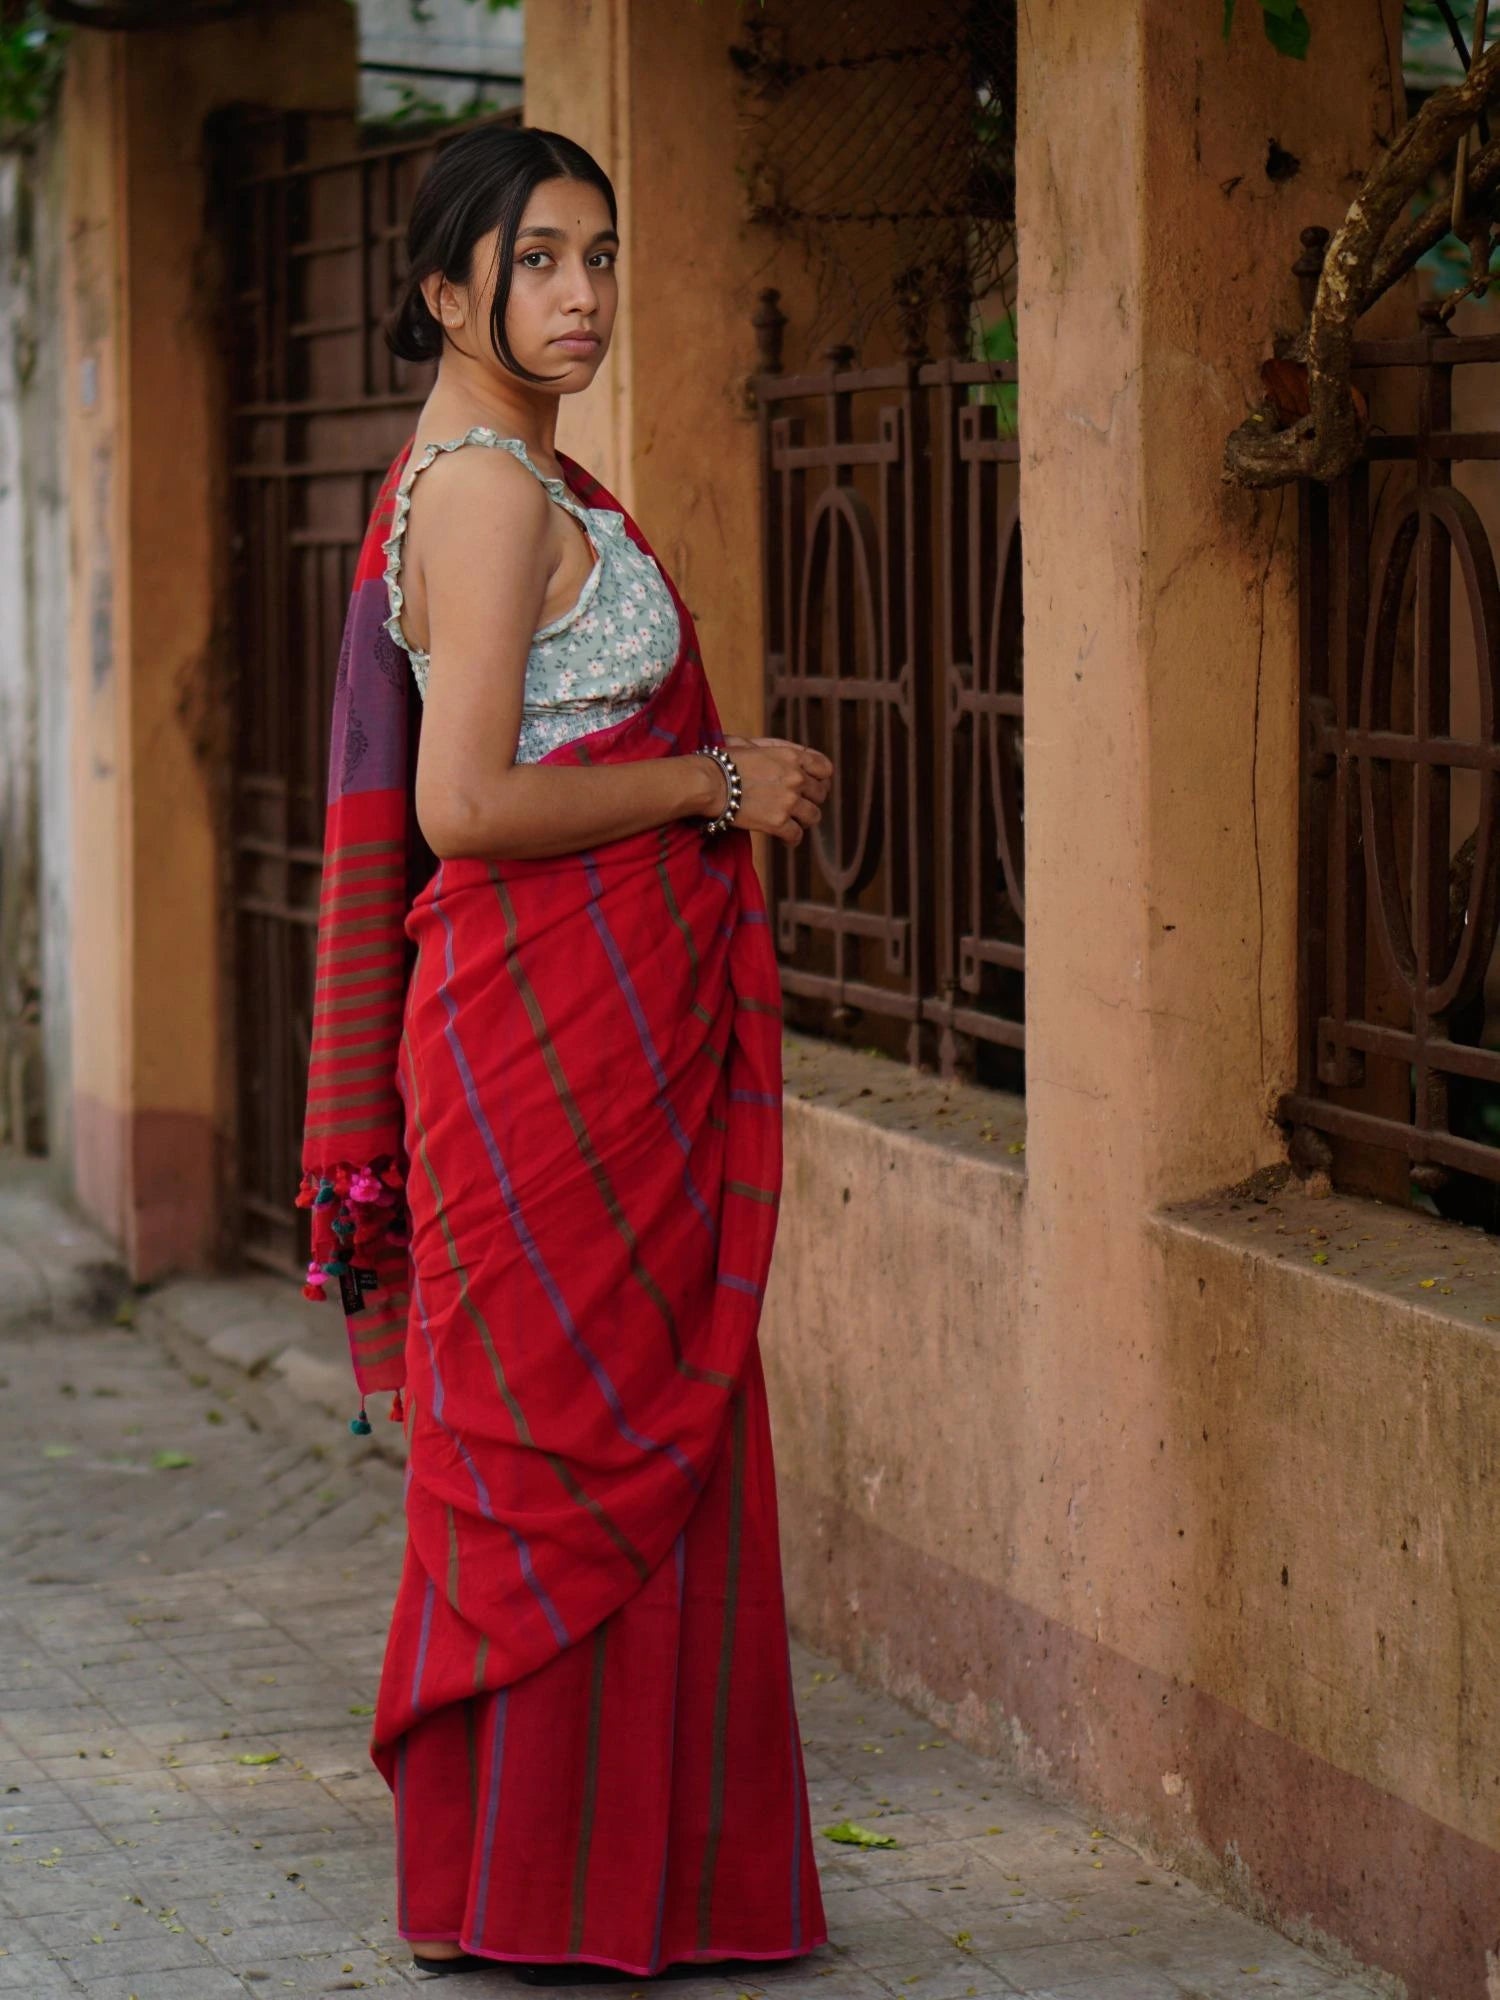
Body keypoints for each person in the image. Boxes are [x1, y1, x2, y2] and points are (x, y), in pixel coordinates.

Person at [295, 123, 833, 1981]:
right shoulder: (489, 493)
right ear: (449, 292)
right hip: (545, 1041)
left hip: (596, 1025)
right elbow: (462, 807)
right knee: (567, 1444)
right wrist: (718, 778)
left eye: (600, 255)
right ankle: (546, 1889)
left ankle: (606, 1888)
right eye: (537, 262)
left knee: (635, 1430)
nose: (584, 294)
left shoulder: (511, 467)